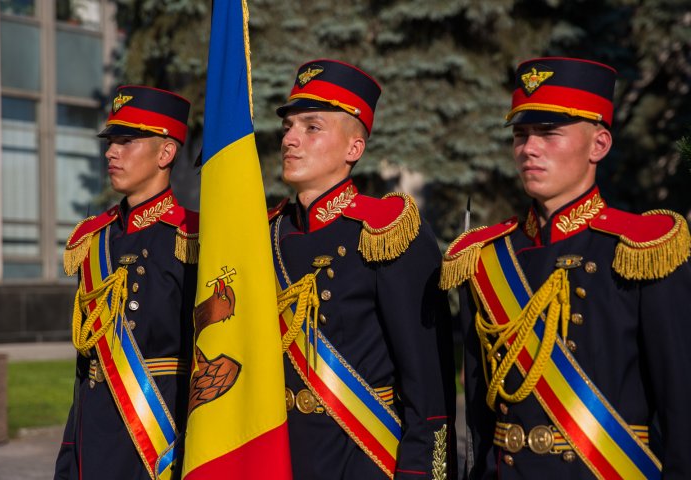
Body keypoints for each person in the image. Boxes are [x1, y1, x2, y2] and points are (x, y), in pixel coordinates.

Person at [440, 57, 691, 479]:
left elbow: (682, 407)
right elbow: (482, 421)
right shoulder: (484, 258)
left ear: (599, 145)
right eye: (520, 135)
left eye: (548, 134)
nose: (528, 149)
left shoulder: (642, 249)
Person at [270, 58, 456, 479]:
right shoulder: (267, 232)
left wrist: (424, 473)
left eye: (311, 127)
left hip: (363, 459)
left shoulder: (384, 231)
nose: (290, 140)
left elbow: (427, 382)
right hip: (278, 459)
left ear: (354, 148)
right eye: (288, 128)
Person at [54, 85, 198, 480]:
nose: (110, 152)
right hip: (92, 441)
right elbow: (85, 371)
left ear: (166, 153)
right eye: (111, 142)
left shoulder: (193, 237)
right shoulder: (94, 239)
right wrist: (70, 457)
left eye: (127, 141)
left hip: (157, 442)